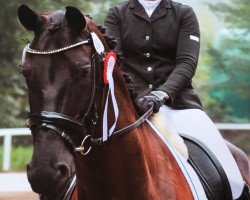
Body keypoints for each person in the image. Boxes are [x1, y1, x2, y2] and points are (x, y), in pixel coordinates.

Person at [104, 0, 250, 199]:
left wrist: (162, 93)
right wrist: (135, 96)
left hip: (178, 104)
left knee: (231, 174)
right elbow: (115, 60)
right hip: (130, 106)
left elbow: (187, 62)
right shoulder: (117, 13)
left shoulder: (184, 13)